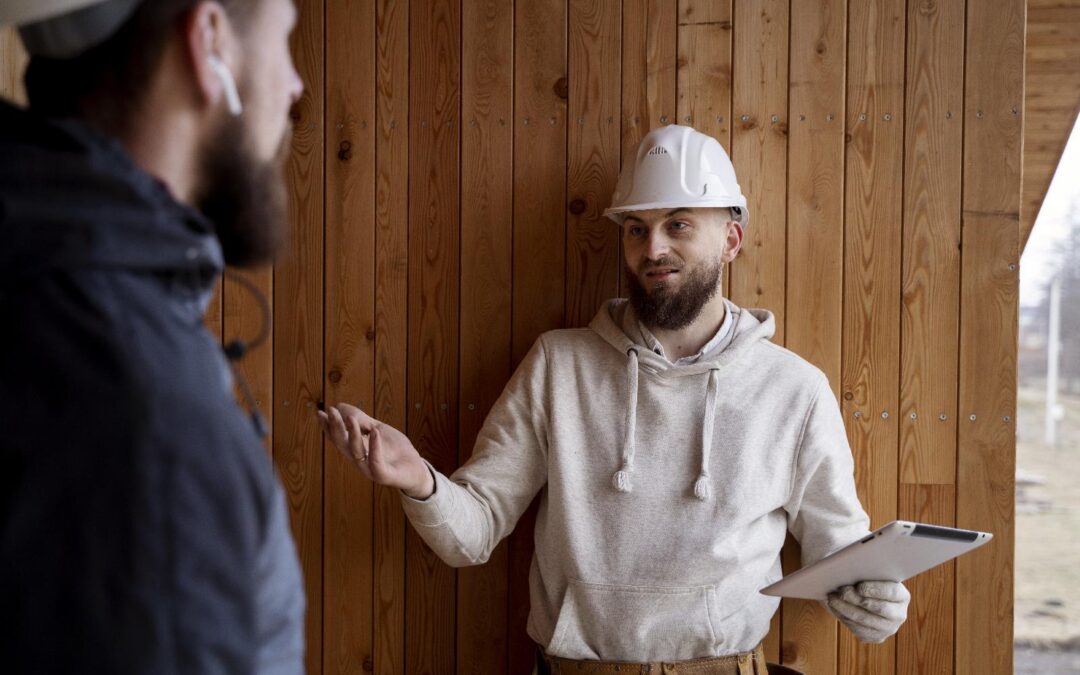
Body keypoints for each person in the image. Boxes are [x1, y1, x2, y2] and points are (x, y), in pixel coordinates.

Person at [318, 125, 909, 673]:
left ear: (731, 240)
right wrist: (418, 480)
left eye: (678, 225)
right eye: (636, 229)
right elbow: (472, 535)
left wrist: (878, 604)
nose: (652, 249)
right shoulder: (557, 365)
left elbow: (844, 559)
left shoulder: (795, 390)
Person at [0, 1, 306, 672]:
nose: (295, 85)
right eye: (284, 38)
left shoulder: (35, 281)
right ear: (209, 42)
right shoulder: (147, 422)